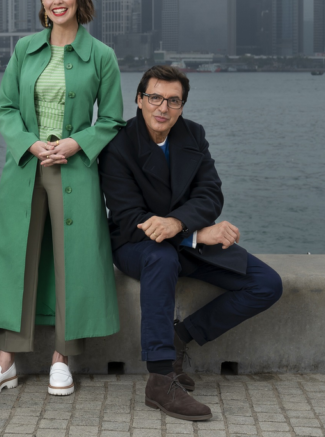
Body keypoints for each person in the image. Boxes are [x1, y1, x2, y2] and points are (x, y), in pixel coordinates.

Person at [0, 0, 125, 397]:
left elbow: (111, 119)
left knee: (71, 260)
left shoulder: (102, 57)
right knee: (18, 258)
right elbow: (5, 109)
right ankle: (6, 362)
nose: (56, 1)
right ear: (42, 3)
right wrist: (32, 145)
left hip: (74, 168)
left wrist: (75, 144)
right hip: (27, 166)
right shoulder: (25, 50)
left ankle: (62, 358)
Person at [100, 65, 282, 422]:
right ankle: (160, 378)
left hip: (186, 238)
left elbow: (210, 193)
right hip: (136, 244)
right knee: (161, 259)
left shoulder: (192, 135)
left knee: (266, 284)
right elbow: (129, 215)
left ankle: (180, 337)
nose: (162, 108)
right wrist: (195, 233)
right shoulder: (118, 144)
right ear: (139, 100)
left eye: (173, 101)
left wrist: (182, 225)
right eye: (154, 98)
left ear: (182, 106)